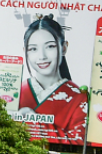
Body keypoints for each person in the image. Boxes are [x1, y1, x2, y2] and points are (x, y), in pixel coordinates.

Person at [16, 15, 87, 143]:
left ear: (64, 48)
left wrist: (33, 123)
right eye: (33, 49)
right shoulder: (15, 93)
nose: (42, 56)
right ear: (25, 51)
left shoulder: (79, 98)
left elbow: (80, 141)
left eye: (50, 46)